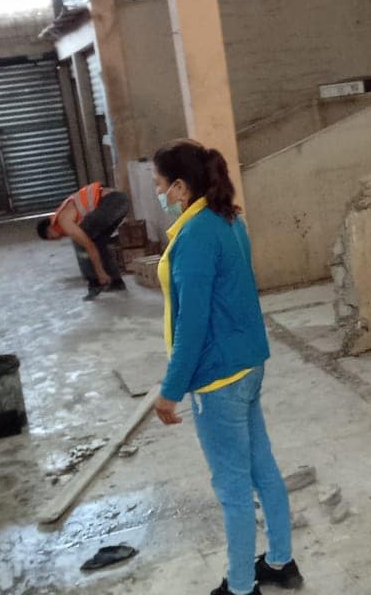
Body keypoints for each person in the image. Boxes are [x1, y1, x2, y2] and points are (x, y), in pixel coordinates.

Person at [149, 139, 304, 595]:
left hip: (218, 377)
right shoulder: (227, 219)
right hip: (247, 364)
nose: (158, 192)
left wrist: (171, 389)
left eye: (159, 184)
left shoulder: (195, 235)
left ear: (180, 187)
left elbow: (192, 323)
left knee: (232, 487)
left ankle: (240, 586)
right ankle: (280, 562)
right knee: (262, 468)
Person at [36, 182, 130, 300]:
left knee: (80, 241)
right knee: (99, 241)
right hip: (121, 201)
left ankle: (94, 282)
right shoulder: (66, 214)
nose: (57, 238)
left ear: (50, 229)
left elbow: (89, 246)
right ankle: (116, 282)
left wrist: (100, 272)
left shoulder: (64, 220)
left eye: (52, 237)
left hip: (113, 201)